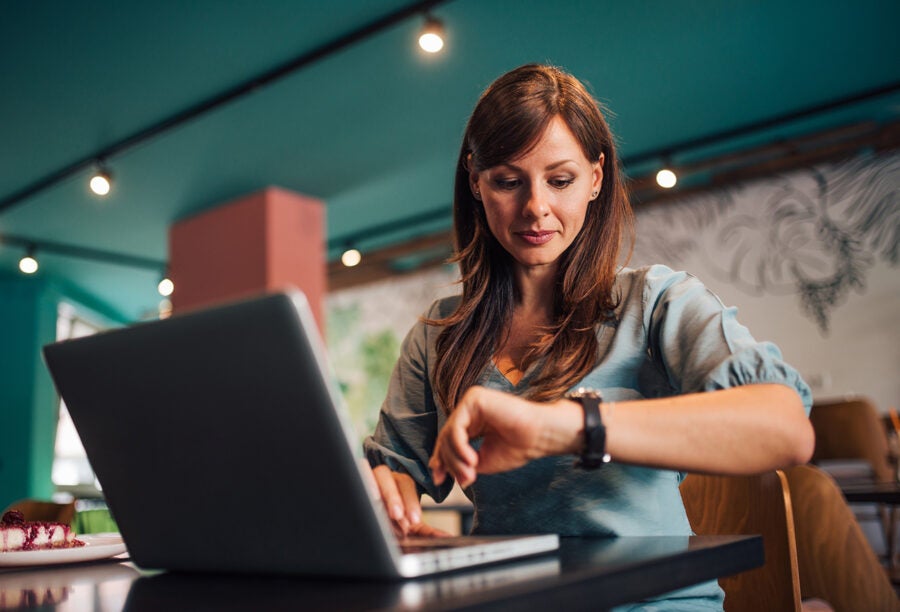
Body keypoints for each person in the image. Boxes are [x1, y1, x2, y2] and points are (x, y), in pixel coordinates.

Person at [363, 64, 814, 609]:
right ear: (475, 182)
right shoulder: (440, 334)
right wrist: (395, 509)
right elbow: (394, 473)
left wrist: (571, 424)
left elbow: (786, 427)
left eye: (560, 180)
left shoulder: (656, 302)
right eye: (508, 181)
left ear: (596, 178)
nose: (535, 207)